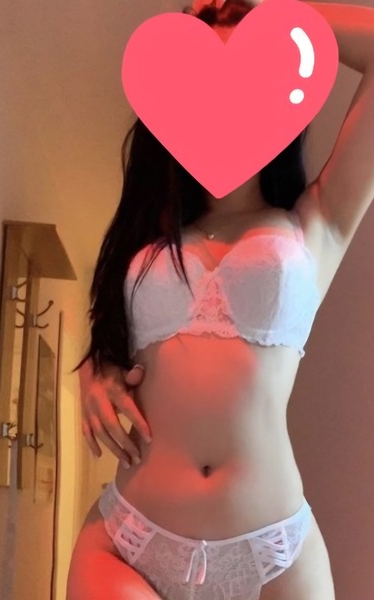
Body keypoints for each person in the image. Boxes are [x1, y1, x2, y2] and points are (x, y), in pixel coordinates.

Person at [67, 0, 374, 598]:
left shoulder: (319, 221)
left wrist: (269, 12)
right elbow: (119, 342)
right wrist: (95, 365)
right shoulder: (146, 236)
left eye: (247, 72)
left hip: (274, 552)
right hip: (131, 539)